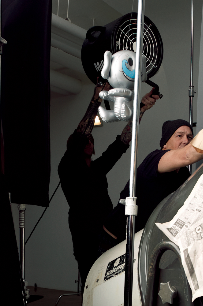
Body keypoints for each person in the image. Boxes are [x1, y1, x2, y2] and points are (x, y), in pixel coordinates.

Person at [58, 83, 159, 283]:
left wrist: (141, 109)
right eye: (85, 140)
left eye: (91, 140)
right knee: (90, 278)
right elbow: (81, 135)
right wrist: (95, 100)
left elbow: (121, 143)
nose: (89, 142)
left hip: (105, 229)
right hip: (84, 233)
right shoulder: (67, 167)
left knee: (108, 278)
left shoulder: (97, 168)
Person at [101, 119, 203, 249]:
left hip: (141, 240)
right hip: (114, 238)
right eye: (179, 136)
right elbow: (187, 156)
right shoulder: (155, 158)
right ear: (165, 144)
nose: (186, 141)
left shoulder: (182, 173)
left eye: (189, 137)